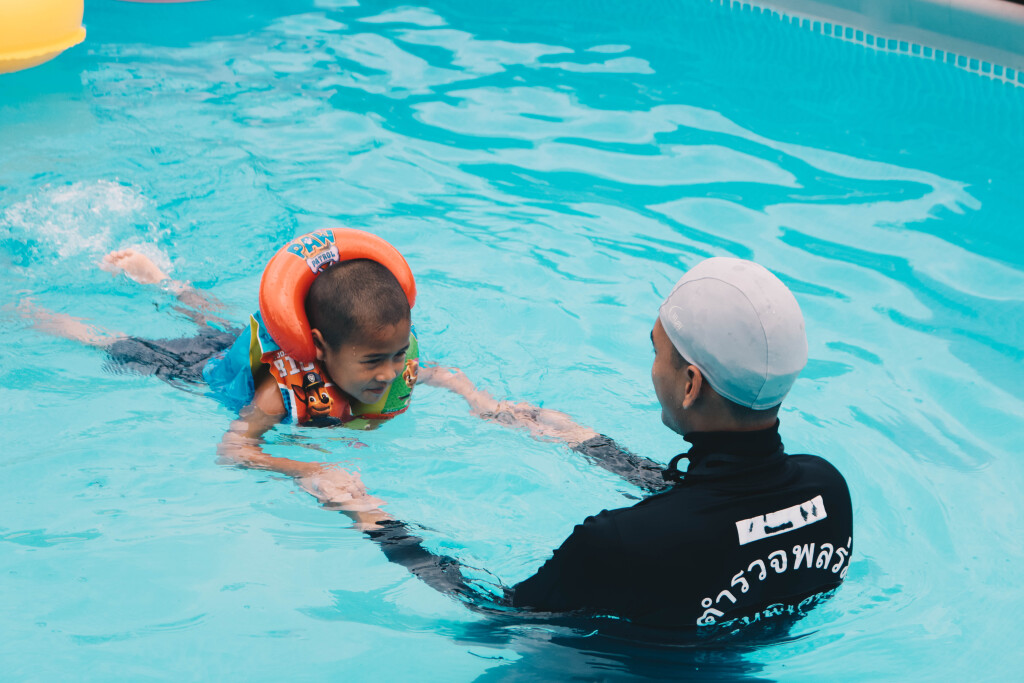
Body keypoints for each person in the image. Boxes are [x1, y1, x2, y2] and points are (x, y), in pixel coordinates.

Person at [316, 257, 854, 631]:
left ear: (691, 384)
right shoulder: (829, 490)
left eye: (657, 353)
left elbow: (493, 610)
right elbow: (719, 508)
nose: (653, 368)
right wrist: (585, 442)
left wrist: (370, 516)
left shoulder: (618, 541)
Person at [19, 229, 435, 510]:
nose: (389, 374)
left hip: (249, 348)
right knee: (127, 347)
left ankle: (168, 283)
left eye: (397, 355)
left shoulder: (391, 356)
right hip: (200, 367)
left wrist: (470, 394)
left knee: (217, 322)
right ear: (321, 347)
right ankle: (44, 317)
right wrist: (307, 470)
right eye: (372, 361)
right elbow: (234, 450)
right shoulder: (277, 395)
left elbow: (433, 371)